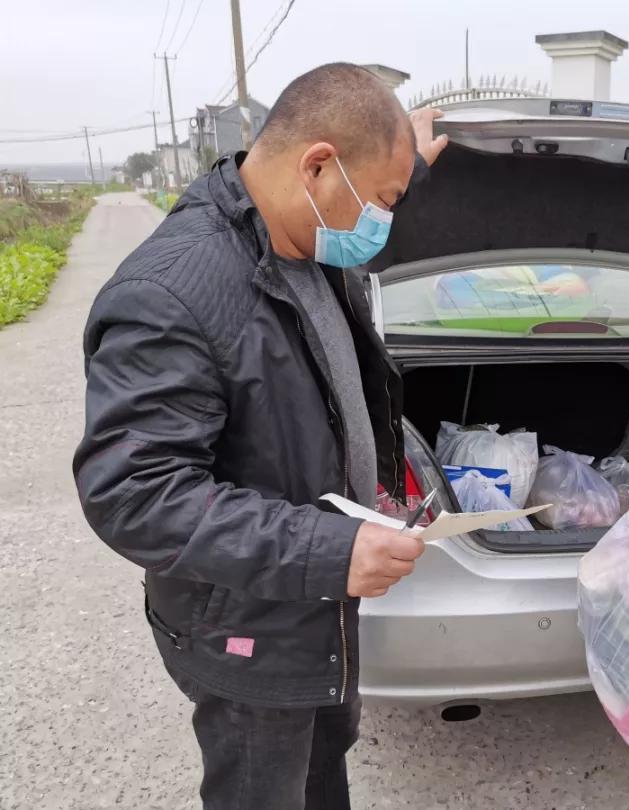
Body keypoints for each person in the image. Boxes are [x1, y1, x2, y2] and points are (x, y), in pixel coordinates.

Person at [73, 64, 448, 810]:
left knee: (320, 776)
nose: (382, 223)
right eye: (383, 201)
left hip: (313, 606)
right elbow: (134, 494)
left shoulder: (305, 233)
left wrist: (405, 164)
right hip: (247, 629)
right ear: (317, 165)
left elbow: (318, 383)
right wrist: (332, 551)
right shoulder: (173, 290)